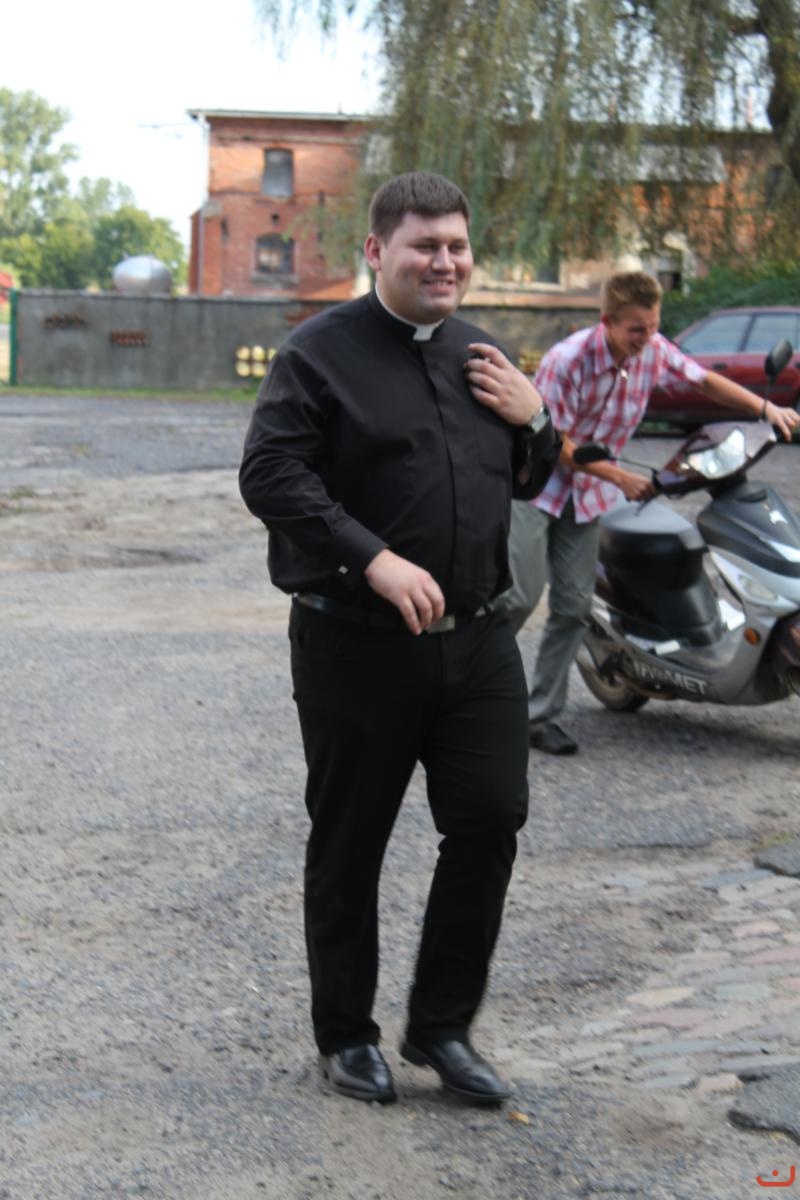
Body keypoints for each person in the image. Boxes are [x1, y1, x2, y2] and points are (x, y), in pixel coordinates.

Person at [239, 172, 560, 1106]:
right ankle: (346, 1035)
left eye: (457, 245)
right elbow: (269, 474)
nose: (445, 261)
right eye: (426, 245)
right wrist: (370, 557)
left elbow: (531, 476)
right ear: (378, 250)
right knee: (351, 843)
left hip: (479, 641)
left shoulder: (482, 354)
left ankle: (442, 1029)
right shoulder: (317, 354)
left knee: (490, 819)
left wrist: (537, 418)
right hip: (356, 646)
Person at [498, 269, 800, 756]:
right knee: (517, 599)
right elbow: (551, 440)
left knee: (573, 608)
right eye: (636, 329)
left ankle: (539, 716)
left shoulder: (653, 350)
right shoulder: (567, 360)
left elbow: (703, 380)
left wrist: (765, 410)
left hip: (587, 497)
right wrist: (620, 478)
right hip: (536, 487)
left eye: (654, 326)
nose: (647, 338)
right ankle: (461, 696)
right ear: (607, 321)